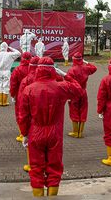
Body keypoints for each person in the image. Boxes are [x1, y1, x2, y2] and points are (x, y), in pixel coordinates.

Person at [18, 57, 83, 196]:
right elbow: (79, 90)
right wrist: (66, 75)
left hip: (36, 132)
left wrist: (24, 134)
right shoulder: (61, 87)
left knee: (36, 168)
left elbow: (23, 116)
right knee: (54, 167)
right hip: (55, 133)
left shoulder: (29, 89)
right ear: (53, 70)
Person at [16, 56, 40, 171]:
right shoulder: (50, 81)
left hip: (31, 116)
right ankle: (42, 164)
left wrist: (24, 132)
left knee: (31, 140)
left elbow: (22, 101)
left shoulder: (25, 80)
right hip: (43, 116)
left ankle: (31, 164)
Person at [66, 52, 97, 138]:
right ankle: (80, 132)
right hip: (83, 91)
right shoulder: (86, 68)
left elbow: (68, 83)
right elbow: (94, 68)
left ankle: (75, 132)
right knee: (83, 110)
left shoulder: (71, 70)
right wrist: (86, 62)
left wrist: (68, 96)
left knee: (74, 111)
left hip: (74, 93)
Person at [10, 52, 32, 142]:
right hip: (32, 94)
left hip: (21, 95)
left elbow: (13, 84)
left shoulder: (17, 69)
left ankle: (22, 134)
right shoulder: (34, 69)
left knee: (21, 115)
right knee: (31, 114)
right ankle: (31, 132)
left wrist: (13, 95)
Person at [0, 42, 21, 106]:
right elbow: (19, 53)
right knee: (6, 86)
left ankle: (0, 101)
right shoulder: (10, 54)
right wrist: (11, 48)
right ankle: (4, 102)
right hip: (7, 72)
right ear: (6, 47)